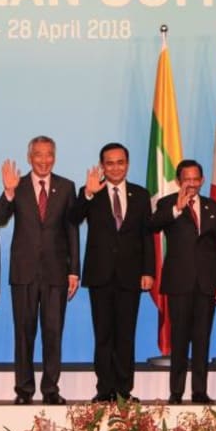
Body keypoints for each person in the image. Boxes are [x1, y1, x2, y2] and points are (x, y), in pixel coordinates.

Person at [0, 136, 80, 405]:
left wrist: (74, 270)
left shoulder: (66, 187)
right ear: (29, 157)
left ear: (54, 156)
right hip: (24, 272)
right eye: (38, 155)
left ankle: (51, 389)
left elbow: (72, 230)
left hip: (56, 273)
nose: (44, 160)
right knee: (24, 332)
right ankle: (24, 390)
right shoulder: (16, 186)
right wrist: (8, 192)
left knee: (53, 332)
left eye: (49, 154)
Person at [69, 142, 154, 403]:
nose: (115, 167)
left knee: (126, 335)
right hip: (101, 275)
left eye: (120, 162)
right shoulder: (91, 191)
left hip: (131, 275)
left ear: (127, 164)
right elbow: (71, 218)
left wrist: (148, 270)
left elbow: (146, 235)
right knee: (103, 334)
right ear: (102, 166)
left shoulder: (140, 195)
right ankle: (104, 390)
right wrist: (89, 195)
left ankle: (124, 391)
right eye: (109, 162)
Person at [149, 159, 216, 404]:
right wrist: (177, 209)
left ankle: (200, 391)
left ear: (202, 180)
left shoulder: (214, 207)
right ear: (178, 181)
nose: (192, 184)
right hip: (179, 283)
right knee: (180, 339)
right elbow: (152, 225)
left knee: (202, 340)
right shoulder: (167, 204)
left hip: (207, 284)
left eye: (196, 179)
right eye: (187, 180)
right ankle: (176, 392)